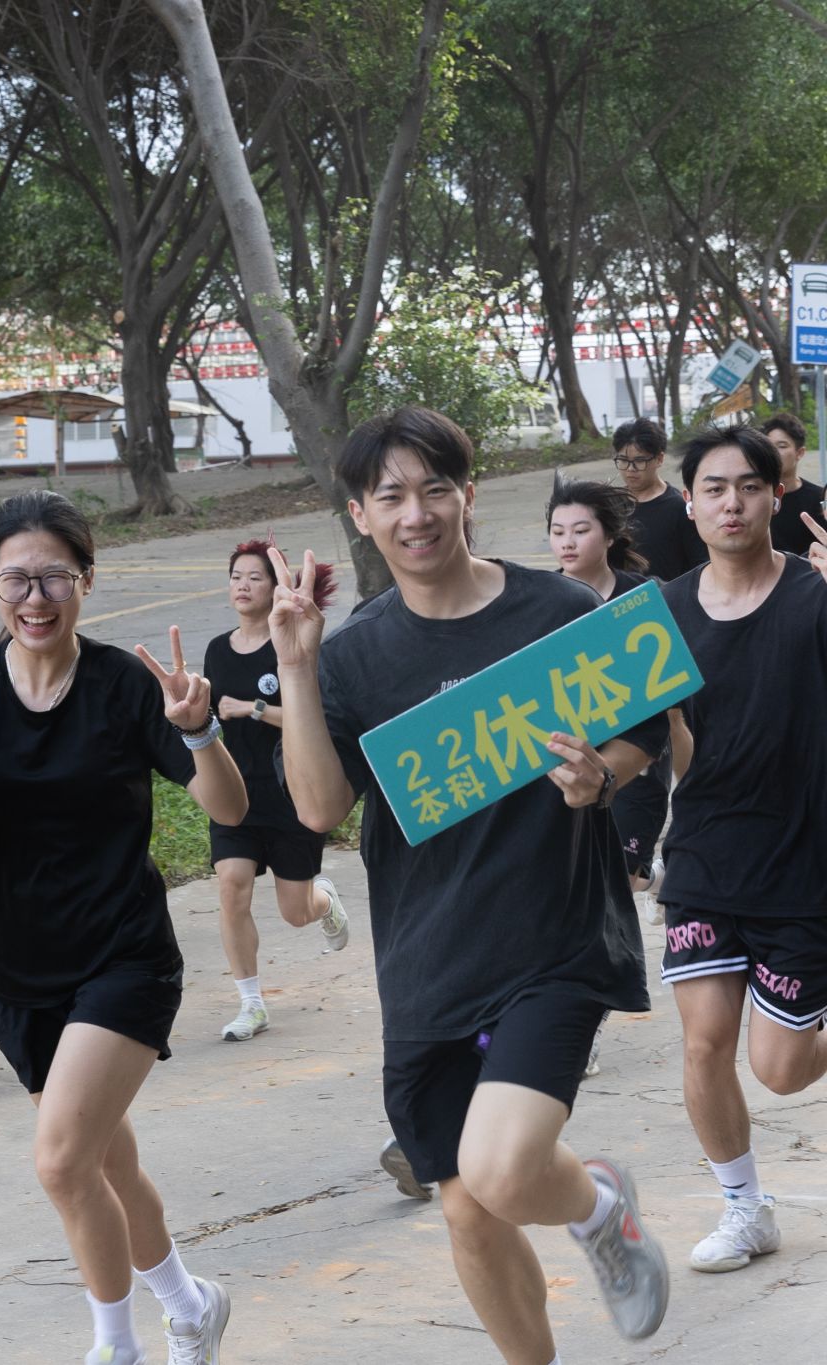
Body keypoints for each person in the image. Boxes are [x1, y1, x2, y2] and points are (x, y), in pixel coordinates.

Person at [270, 406, 671, 1359]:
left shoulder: (559, 611)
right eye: (391, 496)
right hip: (426, 961)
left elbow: (647, 732)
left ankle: (596, 1205)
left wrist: (600, 776)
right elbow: (320, 807)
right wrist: (295, 665)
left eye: (435, 489)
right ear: (361, 515)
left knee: (502, 1165)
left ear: (469, 496)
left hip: (553, 940)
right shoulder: (353, 653)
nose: (416, 513)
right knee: (466, 1208)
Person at [0, 490, 248, 1365]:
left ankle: (115, 1346)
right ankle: (191, 1304)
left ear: (86, 580)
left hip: (124, 955)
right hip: (21, 966)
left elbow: (228, 806)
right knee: (104, 1162)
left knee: (62, 1162)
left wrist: (200, 731)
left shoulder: (123, 684)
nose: (36, 598)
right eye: (17, 579)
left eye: (54, 577)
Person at [657, 424, 827, 1276]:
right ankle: (743, 1206)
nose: (732, 502)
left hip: (806, 859)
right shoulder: (661, 613)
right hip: (705, 854)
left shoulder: (816, 594)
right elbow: (638, 737)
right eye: (714, 488)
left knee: (782, 1068)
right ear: (689, 505)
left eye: (749, 486)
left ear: (777, 495)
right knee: (704, 1041)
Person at [203, 539, 351, 1042]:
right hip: (236, 795)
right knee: (232, 885)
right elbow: (209, 717)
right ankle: (251, 1003)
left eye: (255, 578)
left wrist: (254, 709)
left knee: (296, 912)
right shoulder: (217, 650)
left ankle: (323, 901)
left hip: (293, 792)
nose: (242, 586)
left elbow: (315, 720)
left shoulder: (293, 645)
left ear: (275, 588)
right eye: (236, 577)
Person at [545, 480, 667, 908]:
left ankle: (652, 878)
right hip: (566, 754)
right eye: (558, 532)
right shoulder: (536, 601)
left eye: (581, 531)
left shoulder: (644, 597)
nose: (567, 542)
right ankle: (657, 880)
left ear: (610, 536)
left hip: (635, 751)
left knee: (622, 877)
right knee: (579, 879)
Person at [614, 417, 707, 582]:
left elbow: (700, 564)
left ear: (659, 459)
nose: (630, 469)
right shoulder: (611, 506)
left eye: (640, 461)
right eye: (623, 460)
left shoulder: (679, 508)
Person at [761, 411, 827, 559]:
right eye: (768, 446)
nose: (773, 452)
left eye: (782, 446)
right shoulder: (753, 500)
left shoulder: (820, 499)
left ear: (800, 453)